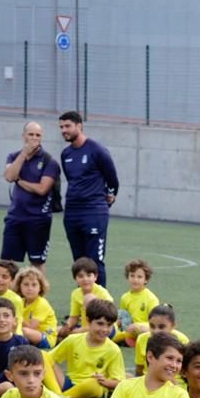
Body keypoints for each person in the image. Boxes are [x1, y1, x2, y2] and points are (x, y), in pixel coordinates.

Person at [57, 110, 120, 285]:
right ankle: (83, 306)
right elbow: (73, 181)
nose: (64, 130)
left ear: (79, 126)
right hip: (72, 214)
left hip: (94, 213)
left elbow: (113, 180)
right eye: (61, 127)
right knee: (79, 263)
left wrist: (107, 199)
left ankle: (101, 307)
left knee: (94, 262)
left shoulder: (97, 150)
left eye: (67, 126)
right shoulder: (66, 154)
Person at [0, 121, 59, 269]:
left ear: (42, 137)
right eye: (31, 134)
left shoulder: (49, 161)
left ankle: (39, 292)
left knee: (37, 263)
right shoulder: (13, 156)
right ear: (23, 136)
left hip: (38, 220)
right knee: (8, 263)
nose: (34, 138)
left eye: (37, 135)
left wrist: (20, 181)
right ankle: (9, 293)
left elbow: (41, 189)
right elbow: (9, 176)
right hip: (15, 217)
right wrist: (24, 154)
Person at [50, 298, 124, 398]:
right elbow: (48, 359)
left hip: (92, 393)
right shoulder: (73, 340)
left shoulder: (113, 350)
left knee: (93, 384)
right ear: (88, 321)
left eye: (109, 325)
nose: (104, 329)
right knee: (41, 356)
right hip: (69, 385)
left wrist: (105, 381)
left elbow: (119, 382)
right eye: (100, 324)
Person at [60, 258, 116, 338]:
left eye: (89, 275)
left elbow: (108, 318)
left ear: (95, 277)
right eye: (80, 276)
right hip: (85, 327)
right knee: (59, 330)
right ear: (75, 278)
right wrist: (67, 326)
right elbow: (74, 318)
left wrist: (77, 331)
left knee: (89, 298)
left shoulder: (102, 293)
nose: (85, 279)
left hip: (105, 327)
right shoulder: (76, 294)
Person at [133, 305, 188, 376]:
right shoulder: (142, 339)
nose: (156, 331)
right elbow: (139, 368)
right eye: (152, 326)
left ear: (173, 326)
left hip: (174, 382)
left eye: (161, 327)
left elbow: (186, 371)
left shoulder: (182, 340)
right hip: (149, 380)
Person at [117, 259, 161, 346]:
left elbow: (155, 323)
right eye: (132, 276)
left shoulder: (151, 298)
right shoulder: (125, 297)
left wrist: (137, 326)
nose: (135, 280)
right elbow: (123, 317)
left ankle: (133, 340)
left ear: (146, 280)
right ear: (128, 277)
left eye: (139, 277)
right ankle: (129, 340)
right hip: (128, 329)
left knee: (150, 331)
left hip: (145, 328)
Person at [13, 266, 56, 348]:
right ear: (19, 286)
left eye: (34, 285)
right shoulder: (20, 301)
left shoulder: (42, 303)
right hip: (30, 335)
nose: (30, 288)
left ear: (40, 287)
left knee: (24, 331)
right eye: (26, 284)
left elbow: (32, 328)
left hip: (45, 337)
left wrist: (17, 317)